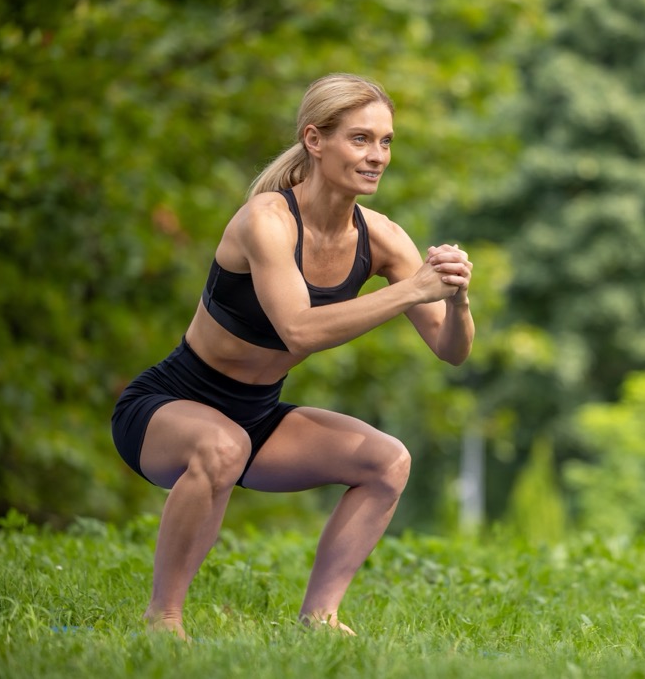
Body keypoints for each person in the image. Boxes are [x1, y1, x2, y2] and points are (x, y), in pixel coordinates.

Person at [111, 73, 474, 640]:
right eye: (360, 139)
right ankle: (164, 620)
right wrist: (410, 289)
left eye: (386, 141)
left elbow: (451, 351)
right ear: (314, 139)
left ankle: (320, 618)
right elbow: (300, 330)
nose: (377, 155)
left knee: (388, 461)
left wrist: (457, 297)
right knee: (220, 444)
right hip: (168, 407)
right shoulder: (267, 220)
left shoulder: (382, 238)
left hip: (258, 416)